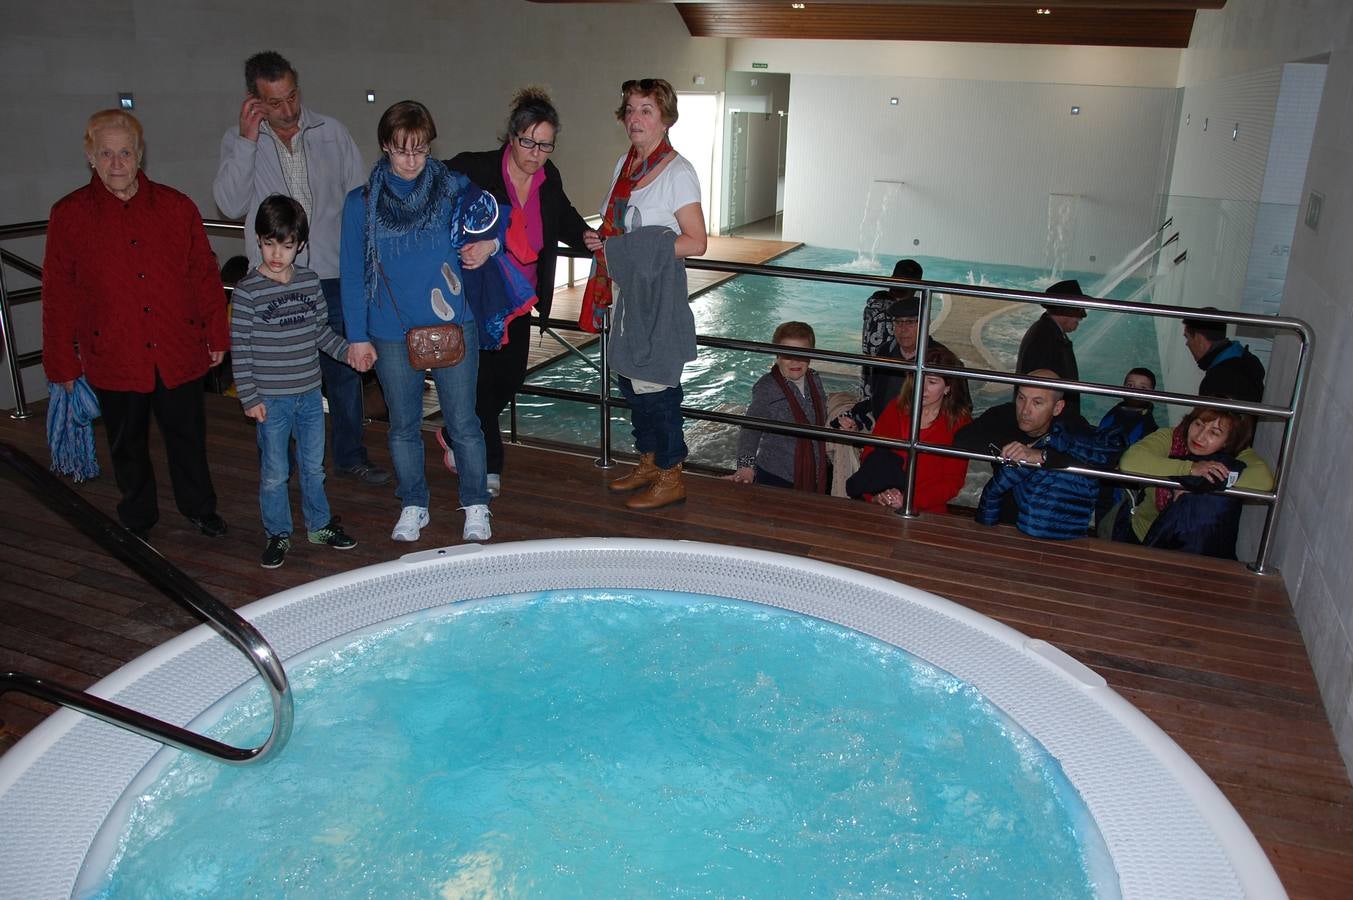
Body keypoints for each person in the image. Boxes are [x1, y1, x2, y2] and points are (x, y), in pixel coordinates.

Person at [42, 110, 228, 541]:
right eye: (106, 153)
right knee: (126, 444)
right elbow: (57, 293)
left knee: (187, 437)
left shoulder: (177, 206)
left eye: (125, 152)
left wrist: (216, 332)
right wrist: (61, 363)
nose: (117, 163)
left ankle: (200, 508)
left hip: (177, 346)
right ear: (90, 156)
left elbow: (203, 271)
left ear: (140, 154)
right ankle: (138, 515)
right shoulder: (68, 215)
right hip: (115, 352)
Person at [213, 50, 389, 487]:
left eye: (292, 96)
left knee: (344, 374)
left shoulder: (333, 131)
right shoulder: (240, 142)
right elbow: (230, 203)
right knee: (277, 382)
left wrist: (363, 271)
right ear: (254, 101)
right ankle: (282, 468)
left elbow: (360, 203)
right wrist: (246, 142)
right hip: (272, 283)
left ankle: (349, 456)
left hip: (330, 275)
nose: (288, 110)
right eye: (274, 102)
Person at [340, 100, 502, 543]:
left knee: (464, 422)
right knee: (404, 425)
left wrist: (490, 246)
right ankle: (414, 502)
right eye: (401, 150)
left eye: (420, 150)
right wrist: (356, 337)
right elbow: (353, 272)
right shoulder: (363, 203)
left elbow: (494, 218)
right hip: (390, 330)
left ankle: (475, 503)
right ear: (384, 147)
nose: (411, 161)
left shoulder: (452, 187)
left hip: (455, 322)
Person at [438, 87, 596, 498]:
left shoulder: (549, 177)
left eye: (545, 144)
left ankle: (455, 434)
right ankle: (490, 466)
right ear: (512, 137)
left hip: (522, 296)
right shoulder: (478, 169)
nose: (536, 152)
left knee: (511, 379)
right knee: (484, 381)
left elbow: (562, 216)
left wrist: (586, 236)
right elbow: (433, 186)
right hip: (484, 295)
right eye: (529, 142)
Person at [583, 78, 707, 511]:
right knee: (632, 382)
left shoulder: (678, 172)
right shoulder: (627, 164)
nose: (635, 118)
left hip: (656, 295)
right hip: (626, 293)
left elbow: (695, 241)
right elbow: (619, 224)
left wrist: (626, 248)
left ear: (666, 118)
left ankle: (672, 474)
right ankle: (650, 461)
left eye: (647, 110)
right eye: (631, 109)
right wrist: (604, 241)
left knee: (657, 385)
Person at [231, 196, 362, 568]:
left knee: (313, 465)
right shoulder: (247, 291)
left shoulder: (309, 281)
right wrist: (249, 396)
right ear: (259, 240)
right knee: (275, 472)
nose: (277, 254)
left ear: (300, 246)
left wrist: (348, 351)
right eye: (270, 243)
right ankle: (278, 532)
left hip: (309, 396)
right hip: (271, 401)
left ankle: (319, 524)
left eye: (286, 246)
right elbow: (239, 347)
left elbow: (320, 332)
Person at [955, 371, 1119, 538]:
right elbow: (962, 440)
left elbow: (1105, 459)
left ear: (1057, 408)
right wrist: (1009, 449)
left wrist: (1042, 455)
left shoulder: (1070, 425)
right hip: (1001, 519)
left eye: (1037, 402)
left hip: (1052, 527)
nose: (1025, 410)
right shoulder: (1002, 415)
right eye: (1021, 398)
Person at [1117, 406, 1273, 558]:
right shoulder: (1171, 437)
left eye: (1214, 432)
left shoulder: (1238, 452)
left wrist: (1198, 484)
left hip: (1198, 547)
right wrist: (1190, 469)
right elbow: (1130, 462)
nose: (1199, 436)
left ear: (1228, 441)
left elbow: (1263, 481)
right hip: (1143, 535)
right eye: (1198, 424)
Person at [846, 344, 973, 514]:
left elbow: (952, 483)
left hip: (928, 512)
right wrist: (877, 496)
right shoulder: (896, 408)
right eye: (917, 378)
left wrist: (909, 500)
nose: (922, 387)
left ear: (948, 388)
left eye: (932, 382)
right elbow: (870, 454)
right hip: (883, 503)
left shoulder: (959, 423)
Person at [728, 321, 829, 492]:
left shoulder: (814, 379)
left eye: (802, 354)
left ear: (811, 355)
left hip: (815, 469)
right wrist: (745, 466)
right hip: (775, 474)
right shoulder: (767, 387)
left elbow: (821, 414)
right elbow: (750, 429)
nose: (795, 361)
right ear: (777, 355)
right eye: (788, 354)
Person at [839, 292, 954, 431]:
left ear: (925, 324)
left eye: (910, 322)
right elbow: (875, 398)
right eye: (898, 322)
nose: (903, 329)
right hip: (885, 431)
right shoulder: (884, 353)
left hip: (925, 433)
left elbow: (959, 408)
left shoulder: (944, 360)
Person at [1093, 366, 1160, 530]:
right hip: (1101, 479)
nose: (1135, 391)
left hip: (1121, 489)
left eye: (1143, 388)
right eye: (1130, 386)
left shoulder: (1149, 427)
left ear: (1153, 395)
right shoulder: (1114, 413)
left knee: (1111, 524)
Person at [1016, 279, 1088, 416]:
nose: (1082, 317)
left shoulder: (1047, 332)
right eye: (1079, 309)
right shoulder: (1045, 340)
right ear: (1065, 310)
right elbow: (1039, 393)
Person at [861, 258, 923, 402]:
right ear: (916, 286)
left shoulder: (872, 305)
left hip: (868, 384)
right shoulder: (903, 314)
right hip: (889, 388)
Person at [1182, 311, 1266, 402]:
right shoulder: (1245, 359)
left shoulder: (1215, 382)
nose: (1187, 344)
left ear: (1199, 338)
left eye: (1187, 338)